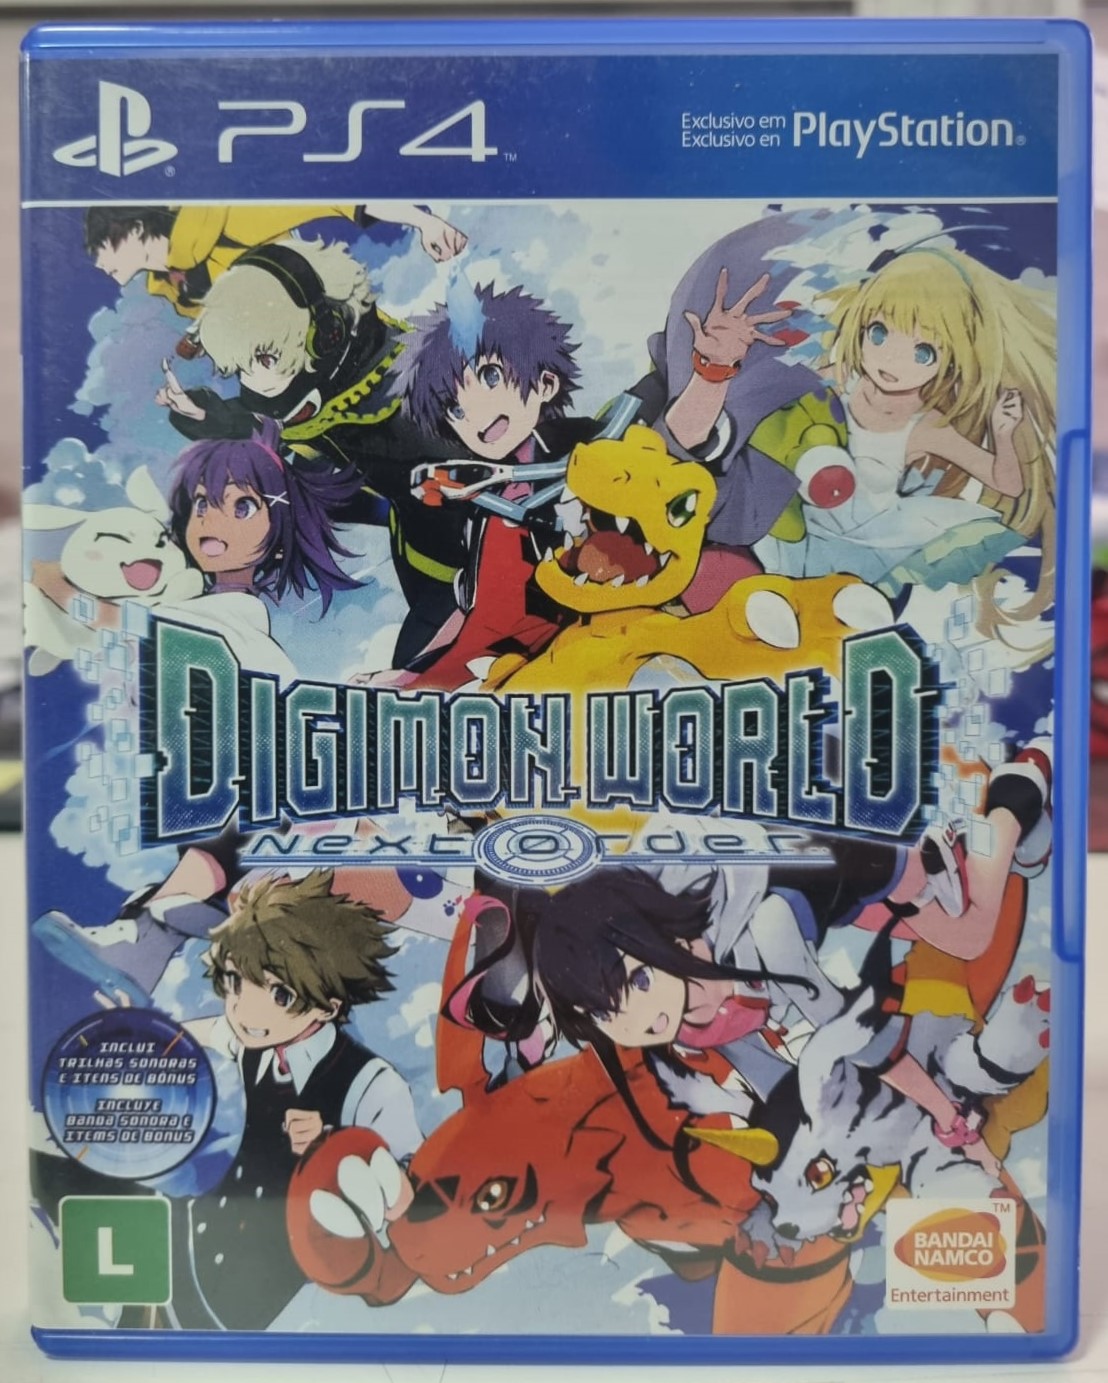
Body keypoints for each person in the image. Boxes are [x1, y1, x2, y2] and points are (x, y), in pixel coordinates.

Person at [750, 246, 1056, 646]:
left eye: (922, 352)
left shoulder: (927, 426)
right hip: (804, 531)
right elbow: (775, 409)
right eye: (879, 333)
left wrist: (1002, 432)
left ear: (951, 359)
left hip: (874, 546)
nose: (892, 360)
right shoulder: (836, 380)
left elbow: (1007, 484)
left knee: (849, 622)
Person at [172, 868, 420, 1330]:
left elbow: (411, 1201)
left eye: (281, 995)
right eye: (235, 982)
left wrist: (337, 1145)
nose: (243, 1009)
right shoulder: (244, 1042)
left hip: (288, 1295)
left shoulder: (371, 1084)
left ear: (328, 1005)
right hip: (195, 1256)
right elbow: (193, 1035)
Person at [86, 202, 467, 319]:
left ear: (136, 228)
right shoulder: (171, 287)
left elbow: (341, 198)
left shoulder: (221, 219)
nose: (98, 263)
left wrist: (424, 221)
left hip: (343, 332)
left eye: (101, 245)